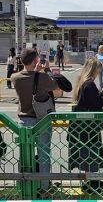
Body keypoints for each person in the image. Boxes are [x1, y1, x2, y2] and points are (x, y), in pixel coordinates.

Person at [11, 48, 58, 196]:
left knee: (25, 156)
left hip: (24, 121)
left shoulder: (15, 77)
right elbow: (55, 87)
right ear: (35, 61)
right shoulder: (42, 77)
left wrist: (36, 72)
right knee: (44, 154)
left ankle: (24, 186)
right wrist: (45, 70)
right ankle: (44, 187)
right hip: (41, 120)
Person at [67, 57, 103, 194]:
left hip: (81, 126)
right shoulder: (89, 84)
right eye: (98, 70)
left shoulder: (81, 82)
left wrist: (102, 93)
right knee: (92, 154)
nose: (99, 73)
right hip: (89, 126)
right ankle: (92, 183)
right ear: (94, 70)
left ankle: (90, 181)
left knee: (86, 155)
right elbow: (95, 105)